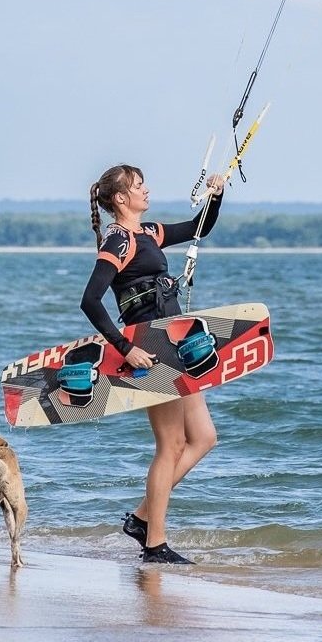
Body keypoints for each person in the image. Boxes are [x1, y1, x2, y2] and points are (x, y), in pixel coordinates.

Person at [81, 164, 226, 564]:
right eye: (139, 186)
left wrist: (216, 194)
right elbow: (90, 300)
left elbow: (200, 227)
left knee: (204, 437)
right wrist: (124, 349)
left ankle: (144, 518)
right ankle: (154, 544)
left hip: (174, 343)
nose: (147, 190)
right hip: (148, 348)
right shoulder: (118, 241)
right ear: (122, 199)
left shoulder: (149, 233)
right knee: (171, 445)